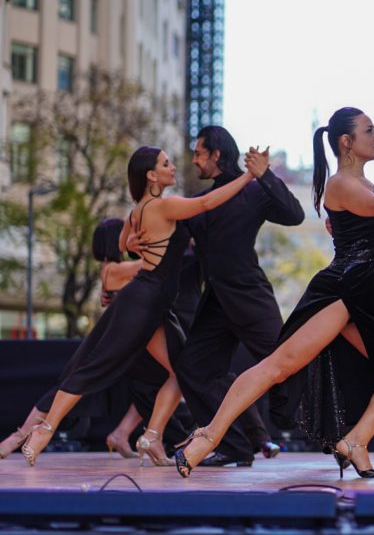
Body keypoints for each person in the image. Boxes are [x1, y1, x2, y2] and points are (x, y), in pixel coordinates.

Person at [174, 108, 374, 479]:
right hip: (341, 296)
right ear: (347, 142)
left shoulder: (365, 185)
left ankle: (356, 441)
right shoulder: (342, 182)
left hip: (367, 303)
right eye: (369, 130)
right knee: (277, 367)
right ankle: (207, 437)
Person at [20, 146, 257, 466]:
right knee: (96, 367)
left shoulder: (138, 211)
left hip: (156, 304)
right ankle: (44, 431)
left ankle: (152, 436)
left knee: (182, 371)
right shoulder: (164, 205)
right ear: (151, 175)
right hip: (144, 302)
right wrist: (249, 176)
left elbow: (122, 243)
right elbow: (205, 202)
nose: (173, 167)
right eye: (165, 163)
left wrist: (129, 244)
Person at [168, 126, 304, 467]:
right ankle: (234, 446)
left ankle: (340, 434)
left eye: (199, 153)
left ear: (215, 154)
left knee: (287, 367)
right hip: (215, 303)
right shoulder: (199, 201)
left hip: (249, 298)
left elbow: (295, 214)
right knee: (192, 367)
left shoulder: (255, 190)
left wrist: (265, 174)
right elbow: (173, 248)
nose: (194, 160)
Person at [0, 219, 146, 460]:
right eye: (125, 233)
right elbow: (153, 265)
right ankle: (19, 436)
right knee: (69, 387)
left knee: (154, 385)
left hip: (130, 338)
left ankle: (122, 433)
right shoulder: (115, 269)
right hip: (112, 339)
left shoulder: (116, 268)